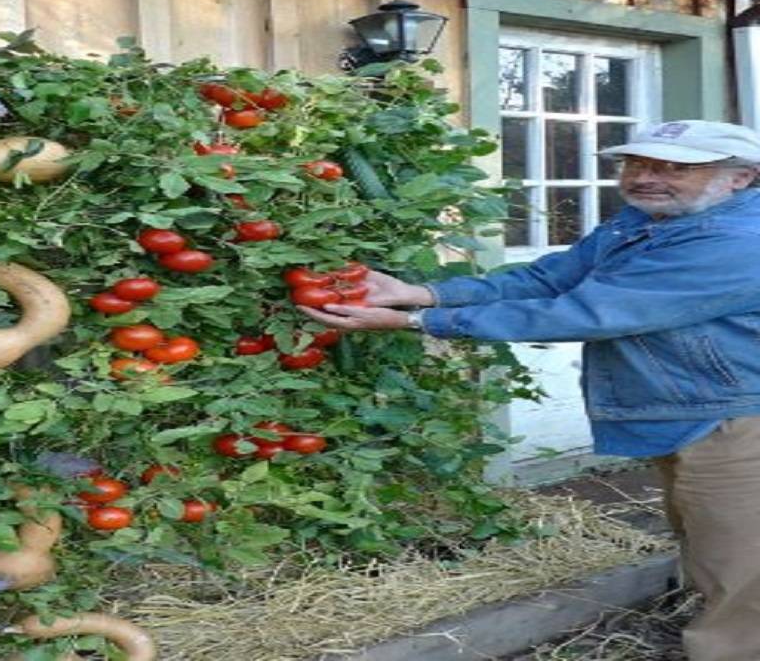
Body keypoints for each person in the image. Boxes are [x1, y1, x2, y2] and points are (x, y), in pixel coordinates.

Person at [301, 120, 760, 661]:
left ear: (741, 179)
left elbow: (590, 310)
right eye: (637, 163)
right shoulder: (649, 221)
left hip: (738, 418)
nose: (645, 177)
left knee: (743, 569)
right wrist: (421, 291)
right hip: (689, 406)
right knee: (711, 543)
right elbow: (550, 279)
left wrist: (418, 322)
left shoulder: (738, 242)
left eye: (675, 168)